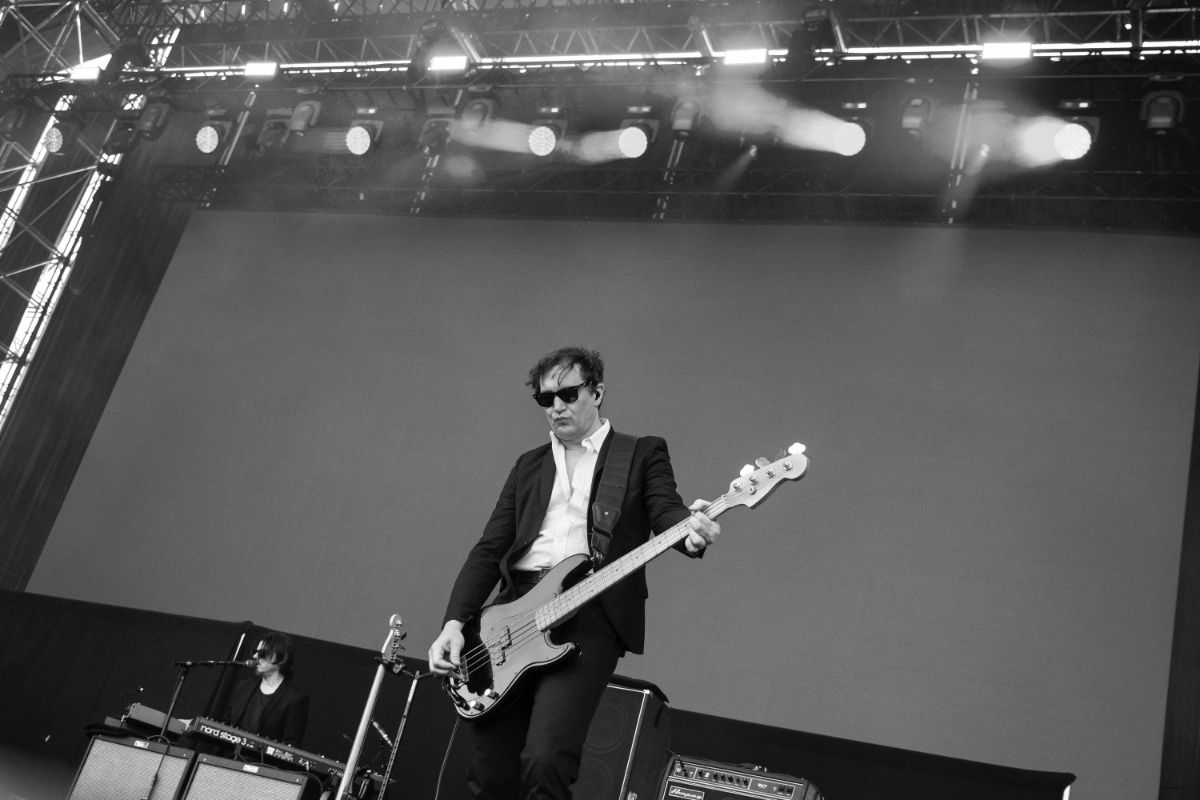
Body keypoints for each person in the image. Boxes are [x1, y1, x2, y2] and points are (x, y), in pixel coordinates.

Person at [427, 346, 720, 800]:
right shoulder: (528, 465)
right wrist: (453, 623)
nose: (557, 406)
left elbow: (667, 512)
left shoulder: (640, 453)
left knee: (545, 760)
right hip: (509, 620)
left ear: (597, 392)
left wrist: (690, 533)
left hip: (589, 609)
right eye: (546, 399)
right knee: (490, 772)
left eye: (568, 394)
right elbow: (489, 550)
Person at [221, 631, 309, 747]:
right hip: (228, 754)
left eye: (262, 653)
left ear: (282, 658)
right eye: (255, 652)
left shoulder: (295, 698)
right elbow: (225, 726)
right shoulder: (243, 687)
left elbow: (290, 745)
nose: (255, 656)